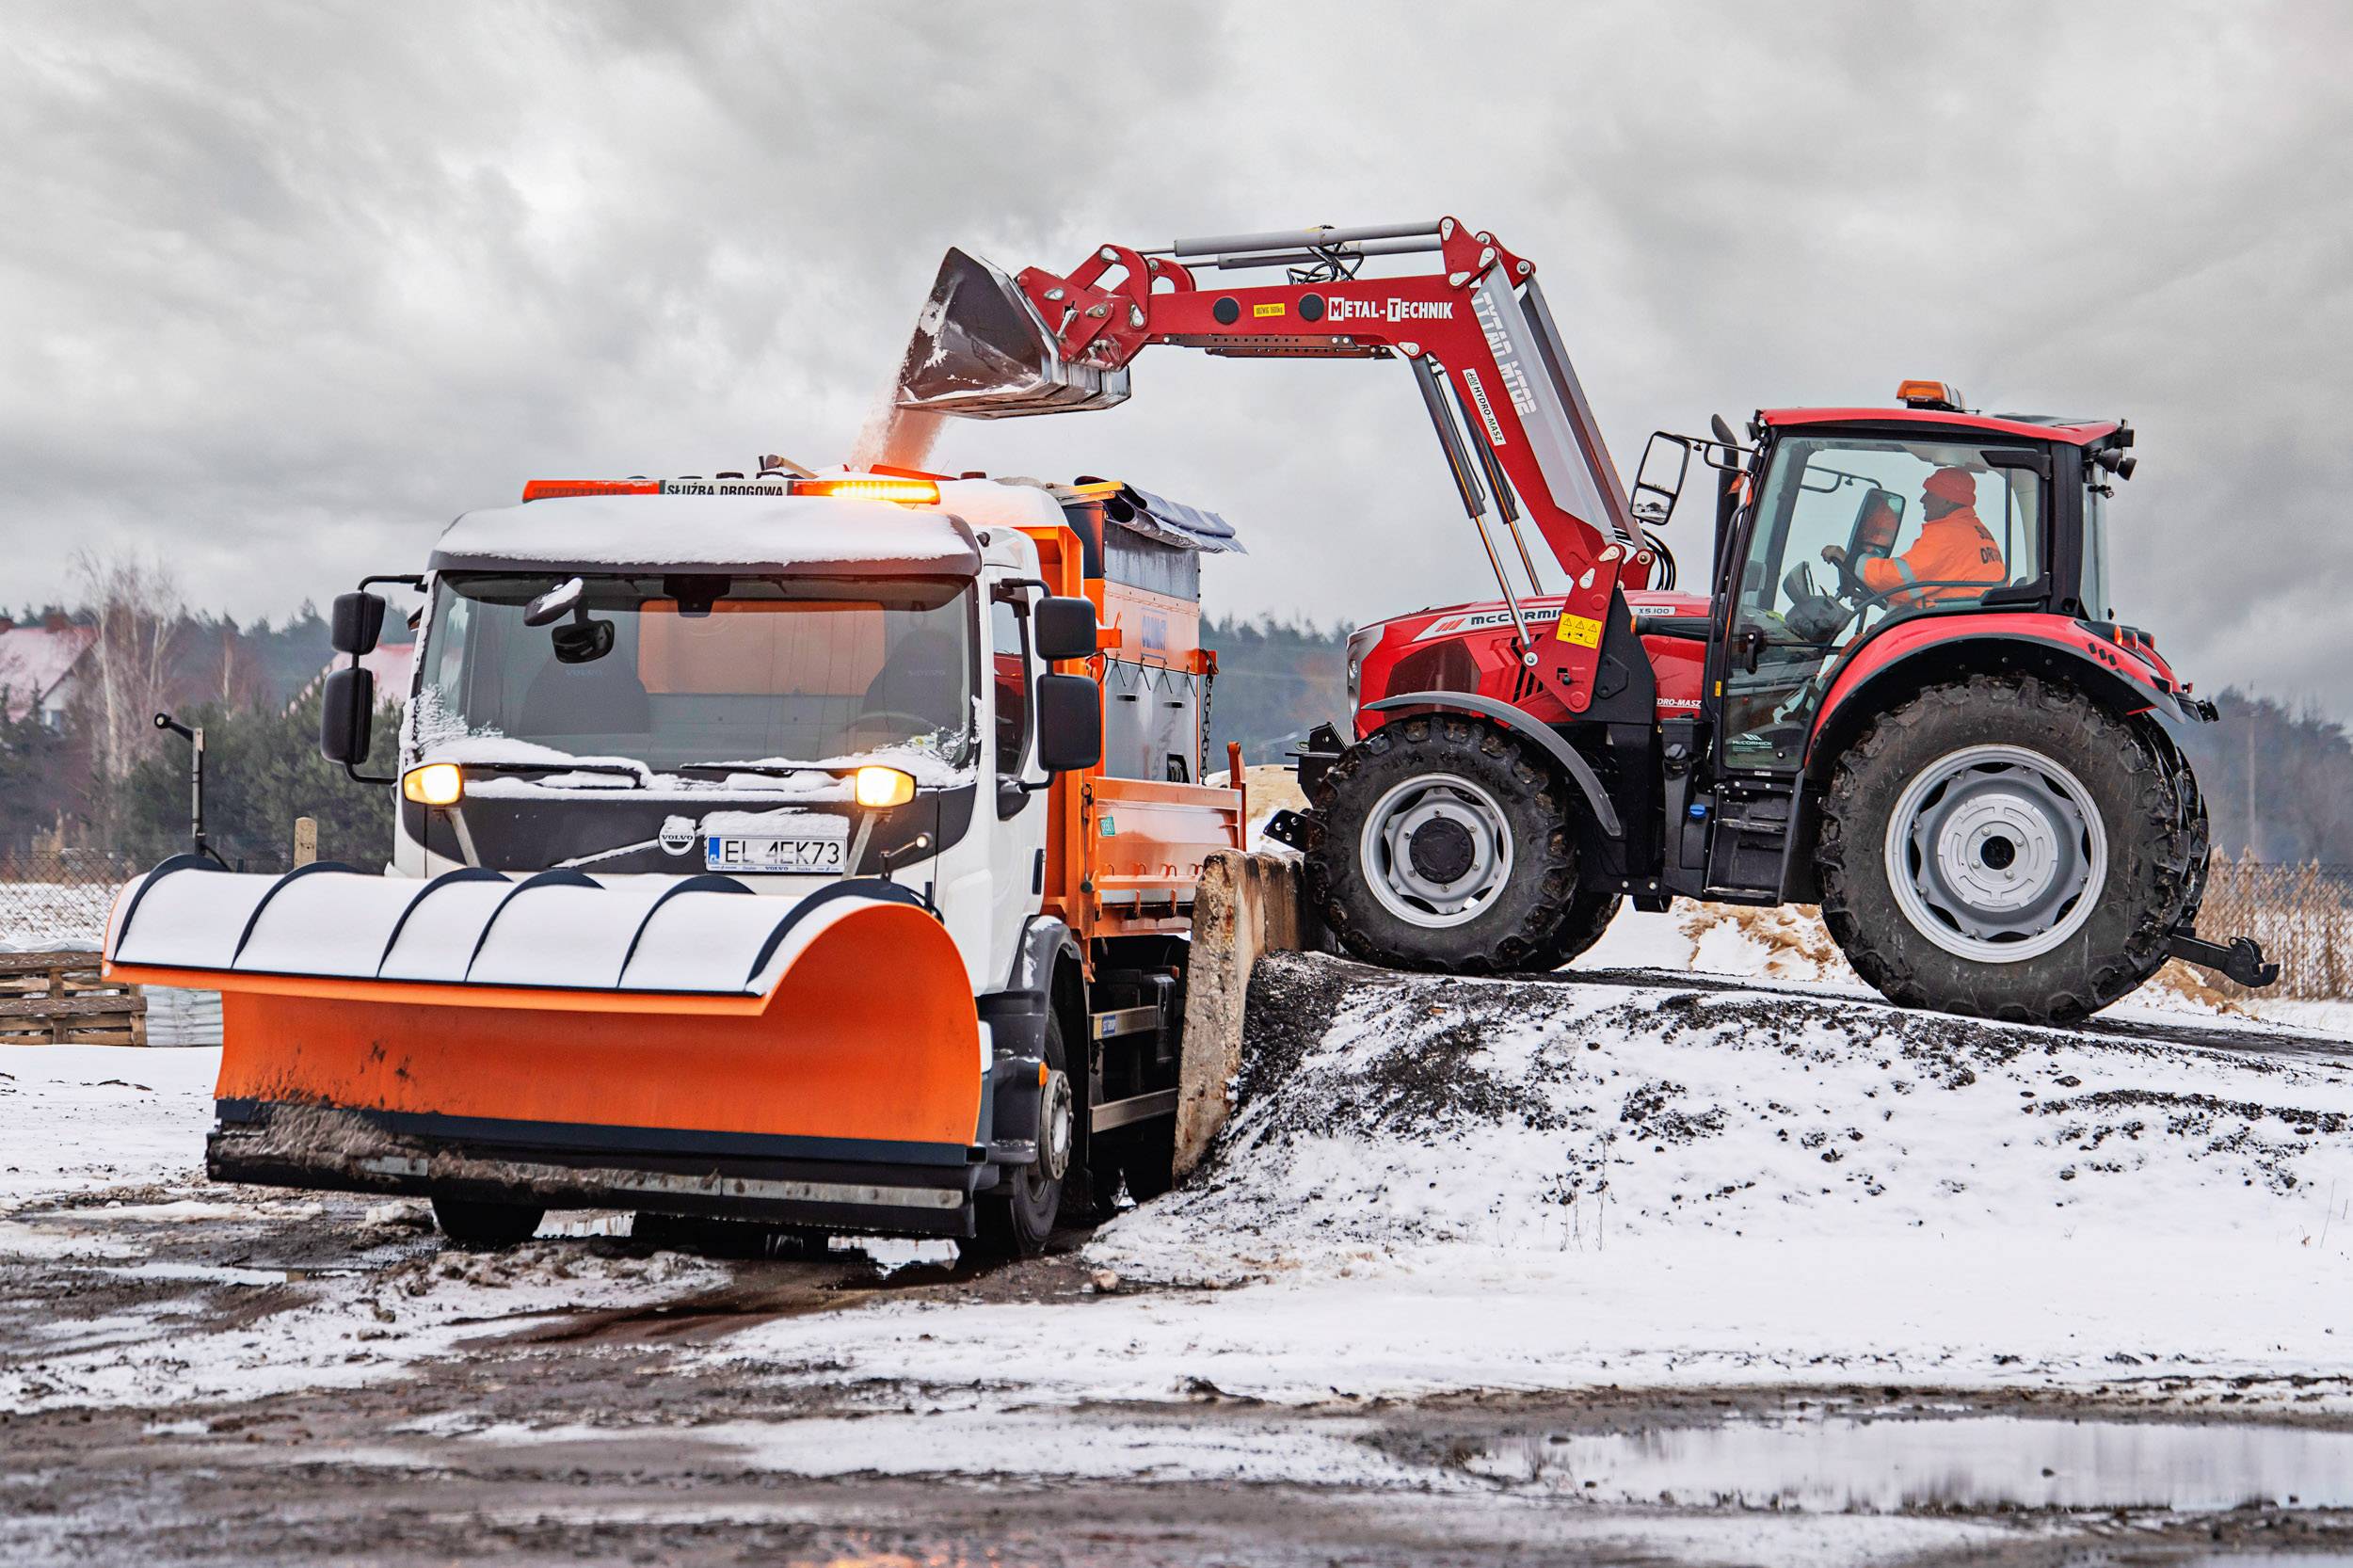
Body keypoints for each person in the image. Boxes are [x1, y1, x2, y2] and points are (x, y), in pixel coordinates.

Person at [1823, 466, 2005, 608]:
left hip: (1943, 625)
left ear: (1947, 501)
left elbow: (1898, 579)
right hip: (1957, 618)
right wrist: (1878, 595)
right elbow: (1918, 586)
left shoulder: (1949, 535)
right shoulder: (1973, 530)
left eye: (1930, 494)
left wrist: (1850, 560)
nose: (1922, 499)